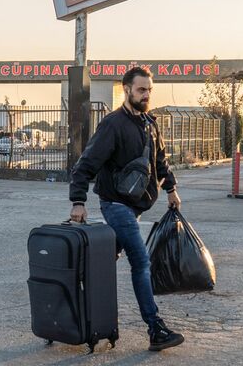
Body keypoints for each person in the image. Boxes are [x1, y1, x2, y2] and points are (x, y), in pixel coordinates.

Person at [69, 67, 184, 352]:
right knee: (141, 261)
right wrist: (78, 201)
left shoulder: (150, 124)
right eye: (140, 89)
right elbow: (86, 163)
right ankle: (155, 328)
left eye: (149, 90)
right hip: (116, 204)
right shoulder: (112, 125)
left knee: (104, 259)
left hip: (136, 207)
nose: (145, 95)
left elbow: (161, 161)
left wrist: (171, 189)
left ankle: (75, 304)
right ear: (127, 90)